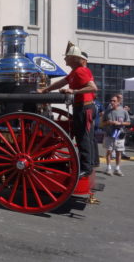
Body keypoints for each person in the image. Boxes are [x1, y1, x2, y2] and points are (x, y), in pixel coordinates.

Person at [38, 42, 98, 177]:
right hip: (82, 107)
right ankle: (86, 165)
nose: (65, 59)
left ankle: (86, 168)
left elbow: (93, 87)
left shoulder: (81, 71)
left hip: (85, 107)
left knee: (83, 137)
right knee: (82, 136)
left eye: (67, 57)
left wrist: (73, 91)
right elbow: (62, 82)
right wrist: (45, 90)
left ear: (73, 59)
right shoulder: (75, 72)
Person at [102, 95, 130, 176]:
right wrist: (109, 122)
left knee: (119, 152)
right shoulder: (107, 112)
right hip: (109, 135)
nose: (112, 102)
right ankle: (108, 168)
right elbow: (102, 123)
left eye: (114, 101)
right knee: (109, 152)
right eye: (111, 100)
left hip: (119, 135)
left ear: (118, 102)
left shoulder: (124, 112)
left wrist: (120, 123)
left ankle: (117, 169)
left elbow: (128, 122)